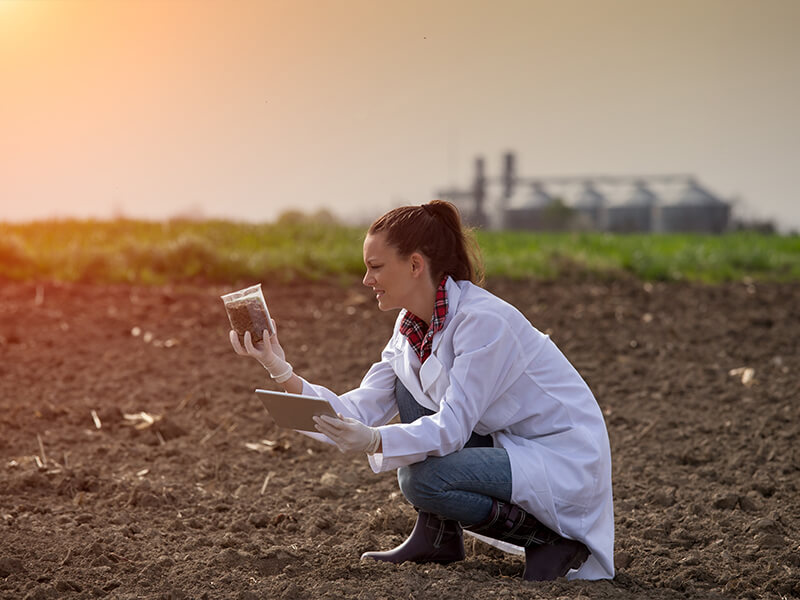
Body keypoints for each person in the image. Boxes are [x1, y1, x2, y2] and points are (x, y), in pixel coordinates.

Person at [229, 200, 614, 581]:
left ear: (415, 265)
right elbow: (356, 410)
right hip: (510, 442)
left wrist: (376, 440)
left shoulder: (483, 322)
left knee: (423, 479)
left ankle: (549, 541)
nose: (367, 280)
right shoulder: (410, 326)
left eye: (375, 267)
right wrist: (278, 367)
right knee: (409, 386)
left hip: (560, 455)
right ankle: (438, 536)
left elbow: (451, 429)